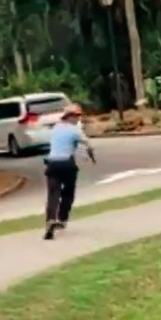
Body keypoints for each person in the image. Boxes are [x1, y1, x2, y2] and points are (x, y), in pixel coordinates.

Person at [43, 102, 96, 240]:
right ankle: (62, 219)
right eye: (77, 116)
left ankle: (50, 221)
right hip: (66, 164)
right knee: (68, 192)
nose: (78, 118)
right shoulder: (75, 130)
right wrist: (91, 154)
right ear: (69, 117)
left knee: (53, 194)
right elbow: (87, 144)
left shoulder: (56, 128)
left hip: (52, 164)